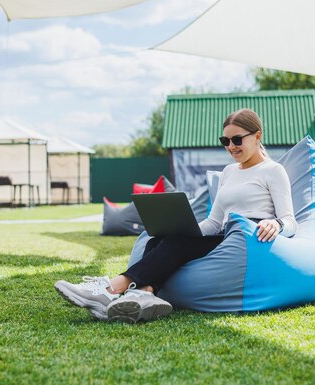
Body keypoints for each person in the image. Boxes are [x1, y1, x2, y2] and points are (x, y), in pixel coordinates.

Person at [54, 109, 297, 323]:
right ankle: (145, 293)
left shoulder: (273, 171)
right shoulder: (229, 172)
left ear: (257, 136)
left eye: (237, 139)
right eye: (225, 140)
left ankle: (110, 289)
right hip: (223, 235)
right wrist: (184, 228)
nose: (231, 146)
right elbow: (214, 222)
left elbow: (290, 220)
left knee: (177, 243)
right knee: (158, 240)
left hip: (247, 238)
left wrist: (275, 223)